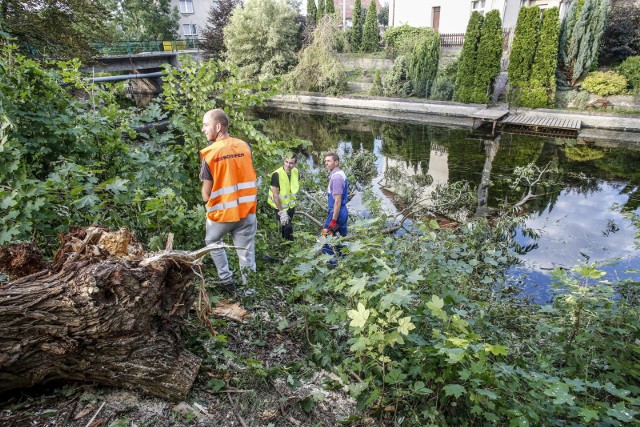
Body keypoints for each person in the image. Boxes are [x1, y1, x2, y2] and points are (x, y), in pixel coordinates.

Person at [199, 109, 257, 292]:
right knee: (247, 253)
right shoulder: (244, 147)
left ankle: (226, 280)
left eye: (206, 125)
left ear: (218, 127)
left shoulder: (211, 153)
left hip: (223, 215)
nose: (203, 129)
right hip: (247, 211)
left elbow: (206, 194)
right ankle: (251, 292)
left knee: (212, 241)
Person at [322, 152, 348, 262]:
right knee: (340, 239)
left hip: (337, 213)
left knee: (325, 239)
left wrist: (333, 220)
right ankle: (343, 263)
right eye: (325, 161)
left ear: (336, 162)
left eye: (329, 161)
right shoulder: (340, 174)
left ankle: (331, 265)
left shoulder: (336, 178)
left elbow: (337, 201)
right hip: (342, 212)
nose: (326, 163)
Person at [268, 154, 299, 241]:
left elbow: (292, 188)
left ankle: (283, 245)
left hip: (290, 206)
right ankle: (289, 247)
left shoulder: (295, 171)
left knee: (285, 228)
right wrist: (282, 212)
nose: (288, 165)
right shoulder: (277, 174)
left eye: (291, 163)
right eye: (286, 162)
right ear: (284, 161)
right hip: (279, 207)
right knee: (288, 227)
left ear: (295, 164)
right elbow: (275, 195)